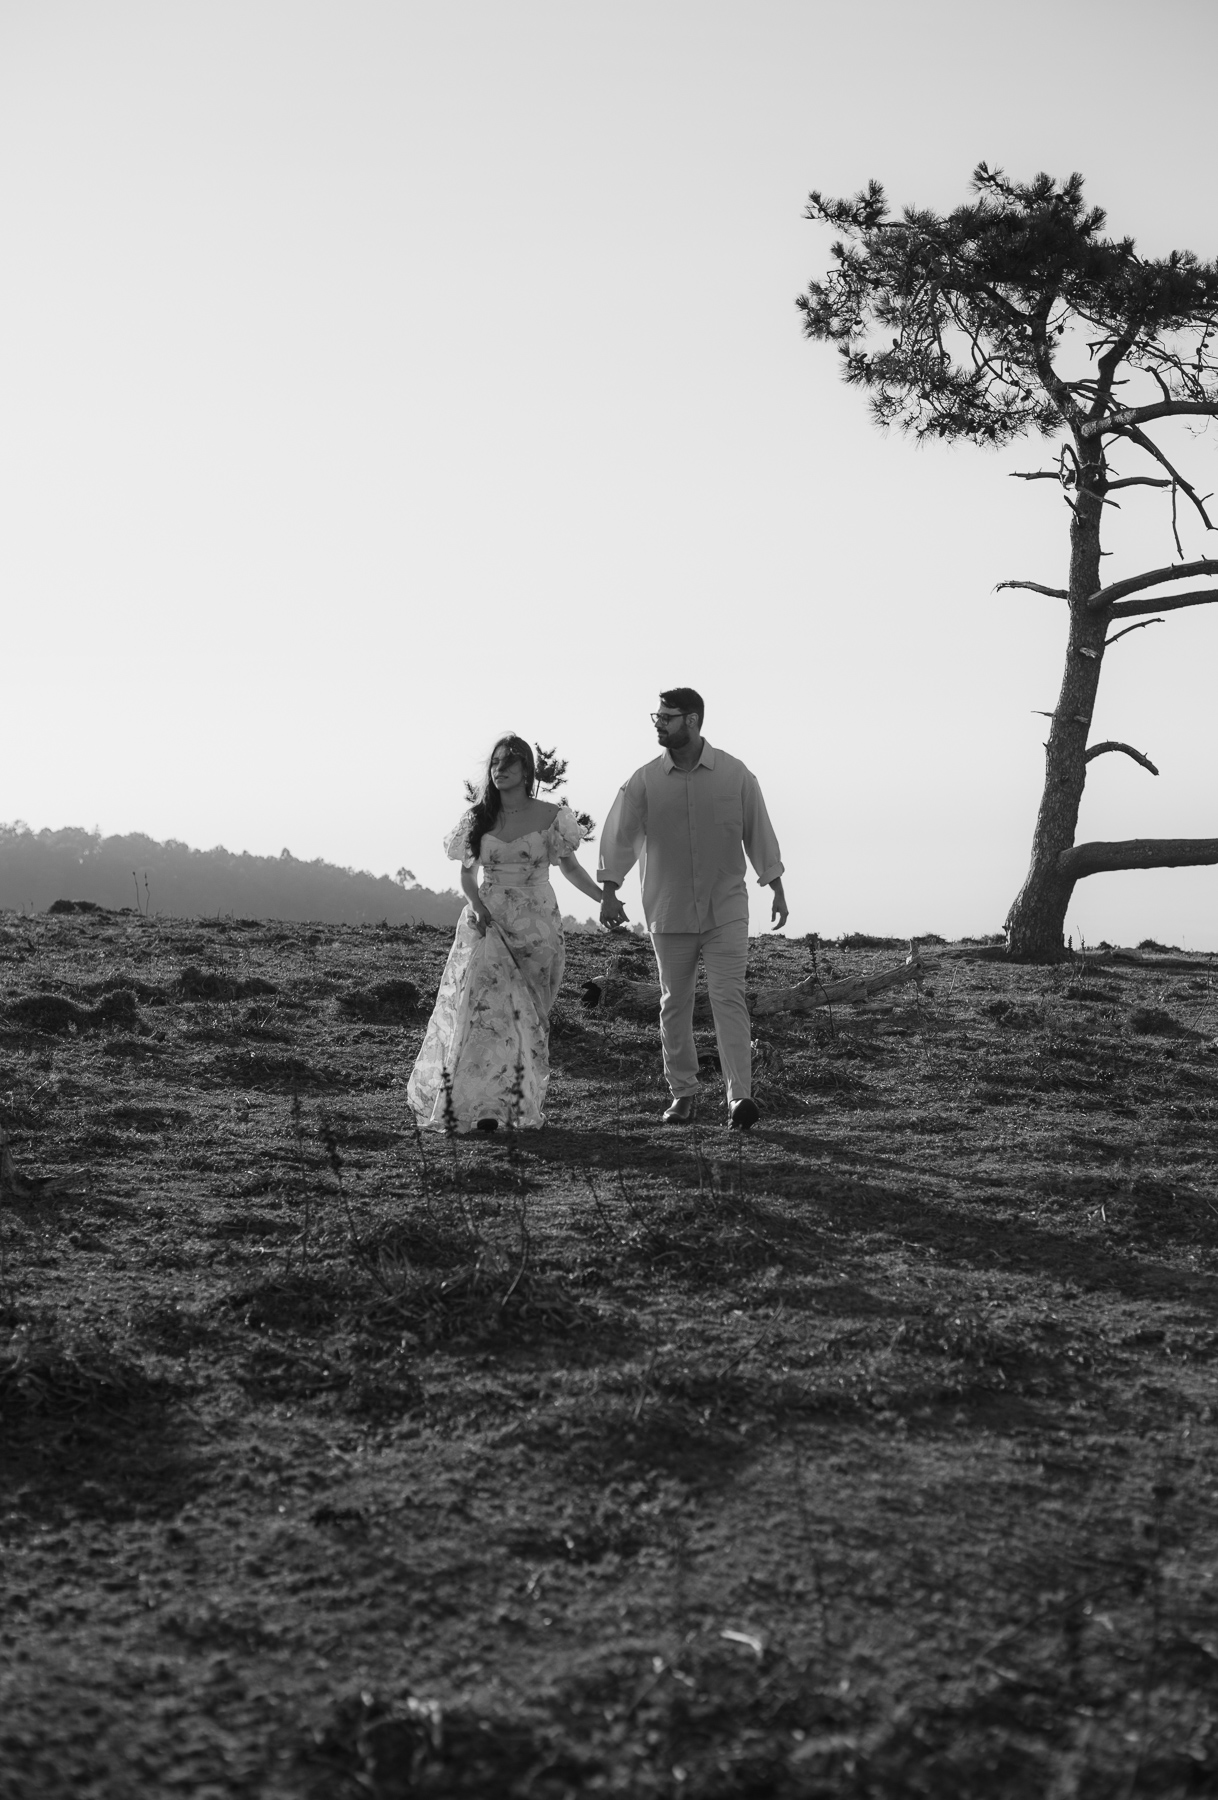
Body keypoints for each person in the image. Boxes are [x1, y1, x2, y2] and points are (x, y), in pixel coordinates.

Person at [597, 688, 787, 1131]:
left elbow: (759, 830)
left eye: (668, 717)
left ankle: (739, 1097)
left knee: (729, 999)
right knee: (674, 1004)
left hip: (726, 910)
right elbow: (618, 836)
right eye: (657, 717)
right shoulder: (643, 781)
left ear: (694, 721)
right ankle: (682, 1094)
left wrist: (776, 885)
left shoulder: (735, 775)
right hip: (668, 910)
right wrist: (609, 890)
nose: (659, 724)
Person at [407, 736, 607, 1133]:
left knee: (526, 1019)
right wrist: (478, 907)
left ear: (526, 770)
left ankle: (512, 1104)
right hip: (490, 921)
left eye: (509, 763)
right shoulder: (478, 818)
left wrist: (604, 899)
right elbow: (467, 875)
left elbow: (569, 869)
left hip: (537, 924)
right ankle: (481, 1107)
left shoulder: (552, 816)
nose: (500, 769)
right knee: (484, 1014)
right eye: (495, 763)